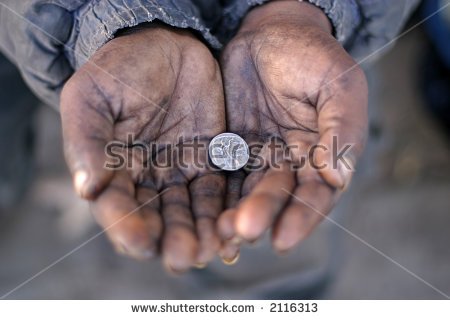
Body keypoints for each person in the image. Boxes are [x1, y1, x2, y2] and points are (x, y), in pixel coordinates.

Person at [0, 0, 419, 298]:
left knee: (272, 239)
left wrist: (301, 12)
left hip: (308, 80)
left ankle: (265, 294)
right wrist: (102, 16)